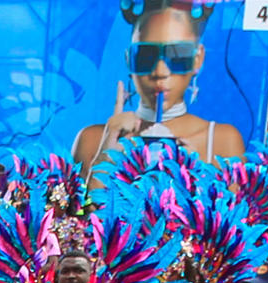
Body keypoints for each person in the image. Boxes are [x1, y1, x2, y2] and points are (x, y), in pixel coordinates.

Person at [73, 0, 246, 174]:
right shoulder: (92, 140)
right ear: (128, 60)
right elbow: (79, 201)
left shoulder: (222, 141)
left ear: (197, 59)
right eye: (145, 56)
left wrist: (199, 184)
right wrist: (104, 163)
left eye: (178, 55)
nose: (160, 72)